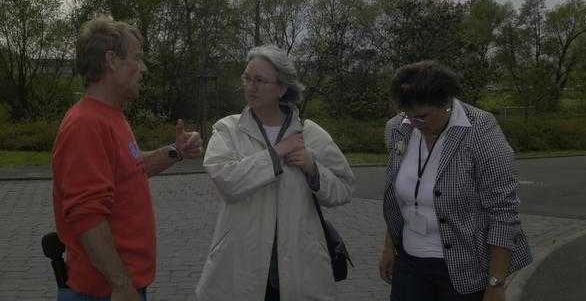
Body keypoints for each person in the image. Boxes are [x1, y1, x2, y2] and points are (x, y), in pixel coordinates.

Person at [52, 17, 203, 301]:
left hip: (121, 287)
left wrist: (177, 150)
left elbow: (132, 167)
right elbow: (87, 216)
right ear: (112, 60)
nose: (143, 68)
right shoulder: (85, 125)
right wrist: (121, 285)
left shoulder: (111, 116)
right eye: (137, 58)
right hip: (104, 292)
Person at [195, 45, 355, 301]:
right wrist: (277, 152)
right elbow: (228, 182)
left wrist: (313, 169)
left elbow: (344, 189)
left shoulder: (310, 134)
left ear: (281, 88)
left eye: (260, 80)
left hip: (300, 268)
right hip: (241, 265)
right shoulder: (227, 130)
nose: (251, 87)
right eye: (247, 78)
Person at [378, 61, 532, 301]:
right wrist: (389, 247)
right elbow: (400, 198)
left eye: (422, 116)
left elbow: (503, 211)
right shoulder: (399, 128)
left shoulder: (480, 130)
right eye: (408, 115)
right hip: (410, 262)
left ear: (446, 103)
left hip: (465, 268)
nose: (414, 123)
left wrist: (496, 283)